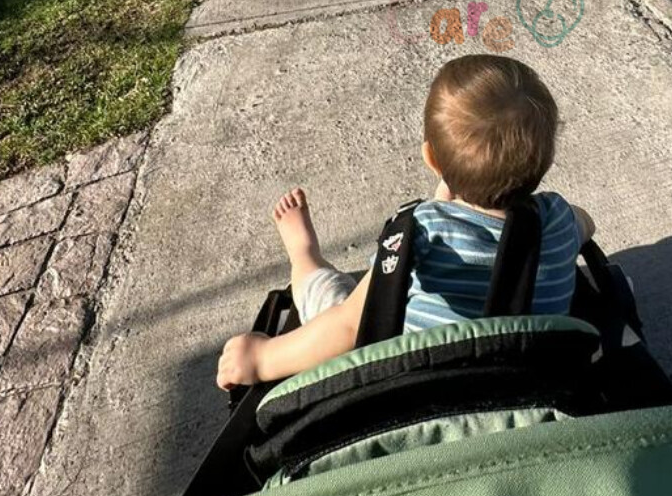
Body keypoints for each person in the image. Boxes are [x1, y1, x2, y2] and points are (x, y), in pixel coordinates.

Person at [216, 56, 595, 388]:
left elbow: (347, 328)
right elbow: (585, 226)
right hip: (522, 380)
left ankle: (305, 261)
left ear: (431, 159)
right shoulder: (559, 220)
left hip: (414, 381)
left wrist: (262, 358)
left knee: (335, 302)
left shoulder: (422, 233)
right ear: (544, 165)